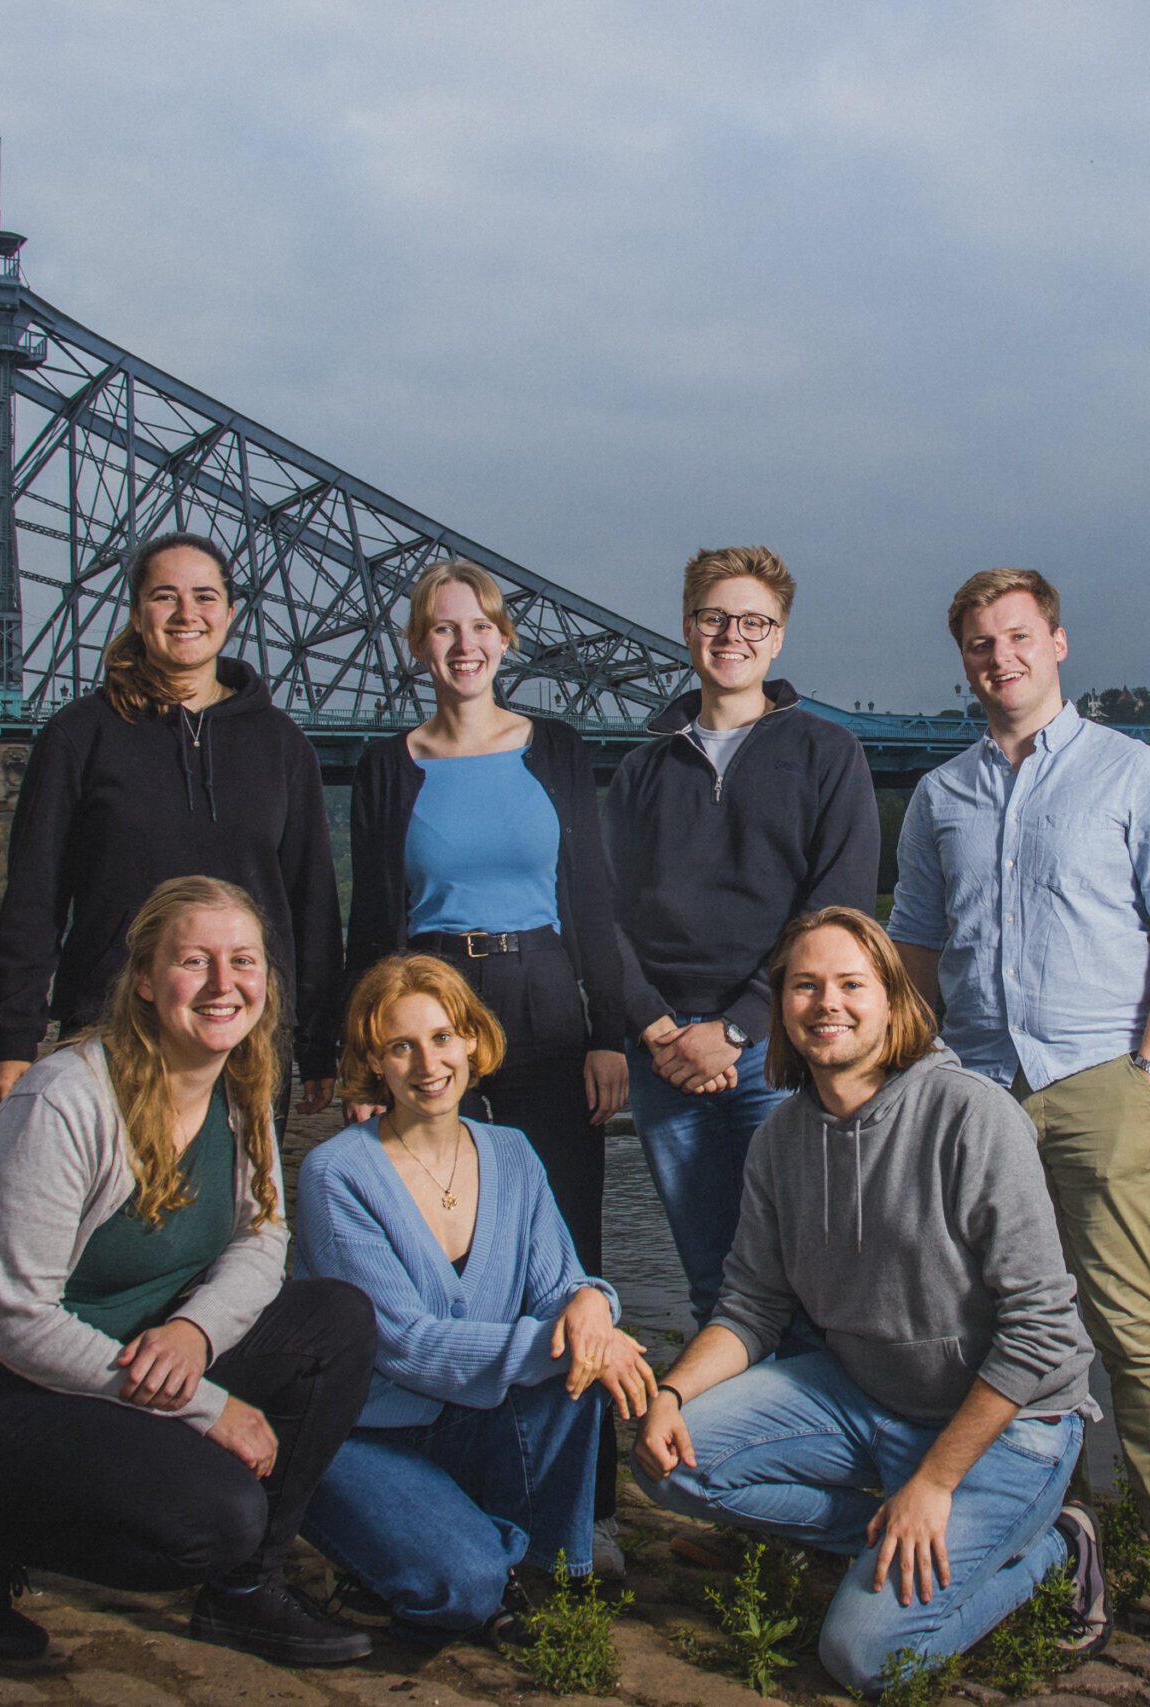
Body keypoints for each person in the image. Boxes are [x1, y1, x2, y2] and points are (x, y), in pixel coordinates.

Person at [0, 877, 379, 1667]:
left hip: (128, 1354)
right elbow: (18, 1321)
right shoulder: (63, 1101)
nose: (223, 983)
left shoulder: (243, 1081)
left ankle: (246, 1591)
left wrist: (194, 1332)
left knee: (336, 1322)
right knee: (213, 1519)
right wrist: (206, 1405)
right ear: (145, 978)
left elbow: (262, 1235)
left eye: (243, 960)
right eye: (194, 960)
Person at [886, 568, 1150, 1654]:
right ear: (964, 662)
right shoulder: (939, 796)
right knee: (990, 1331)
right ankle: (1049, 1532)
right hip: (975, 1091)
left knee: (1136, 1330)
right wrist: (923, 1066)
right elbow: (912, 942)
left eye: (1016, 637)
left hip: (1102, 1084)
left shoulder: (1133, 773)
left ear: (1056, 643)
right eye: (979, 644)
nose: (998, 658)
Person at [634, 906, 1108, 1695]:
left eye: (852, 984)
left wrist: (935, 1481)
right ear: (780, 1005)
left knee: (862, 1654)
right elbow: (750, 1306)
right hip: (868, 1399)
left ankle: (1055, 1547)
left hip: (1008, 1427)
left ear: (892, 998)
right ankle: (891, 1533)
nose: (828, 1003)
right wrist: (672, 1393)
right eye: (805, 985)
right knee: (668, 1463)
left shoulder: (973, 1114)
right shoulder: (779, 1139)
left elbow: (1043, 1332)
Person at [341, 557, 633, 1568]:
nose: (462, 646)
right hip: (429, 1002)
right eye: (441, 628)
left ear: (506, 641)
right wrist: (360, 1062)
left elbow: (591, 900)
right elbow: (372, 920)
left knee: (569, 1248)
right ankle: (454, 1471)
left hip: (546, 1001)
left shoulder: (557, 748)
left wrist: (609, 1032)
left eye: (479, 628)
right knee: (435, 1239)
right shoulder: (386, 766)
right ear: (418, 646)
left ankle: (587, 1509)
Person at [295, 954, 656, 1642]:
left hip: (472, 1421)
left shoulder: (512, 1152)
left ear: (471, 1040)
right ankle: (466, 1559)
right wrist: (576, 1338)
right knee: (463, 1587)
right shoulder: (336, 1172)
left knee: (580, 1358)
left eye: (441, 1037)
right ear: (373, 1061)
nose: (427, 1063)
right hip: (366, 1433)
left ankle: (530, 1561)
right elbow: (405, 1345)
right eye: (401, 1046)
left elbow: (560, 1286)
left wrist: (591, 1303)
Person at [606, 546, 879, 1335]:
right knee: (712, 1283)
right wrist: (656, 1027)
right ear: (688, 626)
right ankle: (730, 1419)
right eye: (715, 618)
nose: (733, 635)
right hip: (663, 1060)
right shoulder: (639, 771)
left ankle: (810, 1417)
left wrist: (736, 1028)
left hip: (782, 1053)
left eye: (754, 621)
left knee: (808, 1279)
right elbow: (602, 913)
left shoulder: (829, 753)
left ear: (779, 636)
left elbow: (837, 911)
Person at [0, 531, 341, 1117]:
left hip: (245, 1031)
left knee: (237, 1181)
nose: (186, 614)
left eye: (204, 596)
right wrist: (14, 1037)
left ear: (230, 612)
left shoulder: (282, 744)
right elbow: (34, 894)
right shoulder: (79, 735)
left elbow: (311, 904)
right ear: (136, 613)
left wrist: (318, 1045)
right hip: (111, 1023)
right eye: (164, 596)